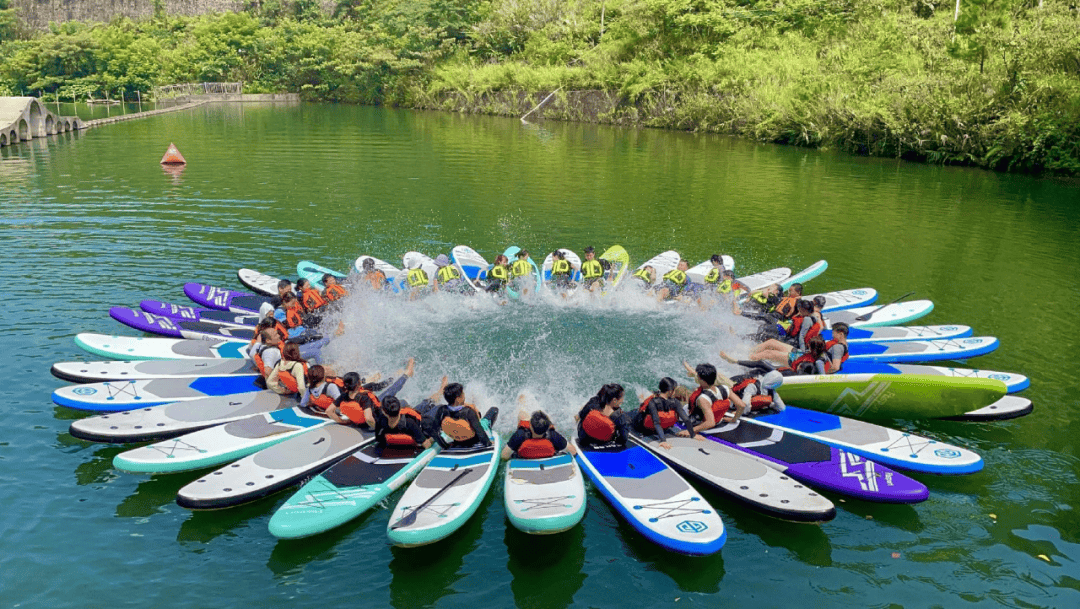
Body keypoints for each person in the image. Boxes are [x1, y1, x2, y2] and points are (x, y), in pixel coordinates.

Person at [326, 358, 415, 427]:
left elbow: (329, 411)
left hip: (361, 421)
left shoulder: (343, 396)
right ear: (359, 383)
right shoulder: (364, 398)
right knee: (399, 397)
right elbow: (369, 418)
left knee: (383, 389)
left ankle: (400, 375)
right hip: (379, 414)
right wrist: (378, 428)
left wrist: (343, 422)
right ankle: (406, 374)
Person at [422, 381, 494, 449]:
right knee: (494, 410)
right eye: (462, 394)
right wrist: (488, 443)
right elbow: (480, 432)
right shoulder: (468, 412)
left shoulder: (442, 411)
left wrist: (445, 446)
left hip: (457, 442)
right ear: (458, 399)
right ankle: (489, 430)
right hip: (473, 442)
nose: (464, 395)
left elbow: (434, 431)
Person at [681, 361, 748, 432]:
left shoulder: (703, 399)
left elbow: (710, 423)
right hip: (718, 420)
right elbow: (742, 405)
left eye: (698, 376)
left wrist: (690, 431)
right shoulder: (725, 389)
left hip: (699, 422)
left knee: (681, 392)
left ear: (701, 380)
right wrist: (734, 419)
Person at [632, 377, 696, 448]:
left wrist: (663, 441)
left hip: (644, 428)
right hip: (664, 428)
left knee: (641, 407)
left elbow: (656, 422)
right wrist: (693, 434)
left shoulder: (652, 402)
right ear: (670, 391)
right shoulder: (676, 402)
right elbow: (686, 419)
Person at [502, 407, 575, 459]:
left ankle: (522, 402)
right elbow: (573, 452)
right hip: (549, 450)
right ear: (548, 427)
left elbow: (504, 456)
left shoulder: (520, 435)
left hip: (524, 456)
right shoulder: (553, 436)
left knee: (522, 414)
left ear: (530, 425)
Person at [576, 383, 631, 447]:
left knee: (582, 413)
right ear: (614, 400)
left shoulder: (593, 401)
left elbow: (582, 415)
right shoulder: (621, 416)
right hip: (605, 442)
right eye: (622, 398)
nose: (623, 401)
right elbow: (623, 439)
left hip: (584, 438)